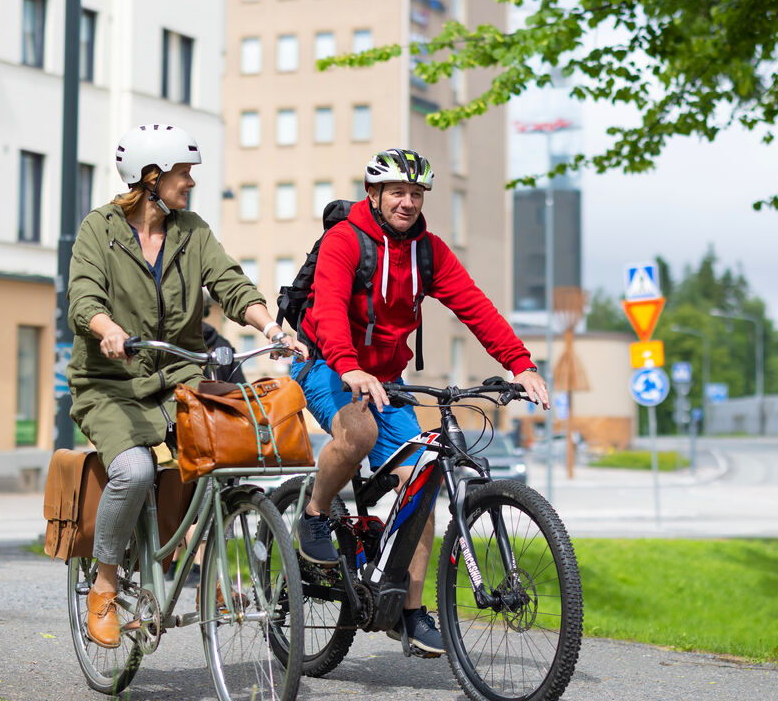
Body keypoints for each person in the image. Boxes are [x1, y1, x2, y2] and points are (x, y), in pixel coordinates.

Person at [292, 147, 549, 656]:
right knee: (359, 433)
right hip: (327, 362)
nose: (408, 202)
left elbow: (474, 306)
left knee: (424, 473)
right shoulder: (346, 241)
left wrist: (519, 362)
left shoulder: (427, 251)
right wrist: (349, 365)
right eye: (398, 193)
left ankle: (409, 611)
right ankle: (316, 513)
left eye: (416, 193)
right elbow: (328, 309)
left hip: (385, 376)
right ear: (374, 195)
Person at [66, 124, 308, 648]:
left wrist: (269, 328)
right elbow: (83, 297)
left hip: (175, 373)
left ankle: (203, 574)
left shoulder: (191, 231)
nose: (191, 183)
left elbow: (231, 282)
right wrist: (107, 331)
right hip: (109, 381)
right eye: (183, 173)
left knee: (219, 456)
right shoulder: (98, 231)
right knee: (134, 468)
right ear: (150, 178)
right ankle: (105, 584)